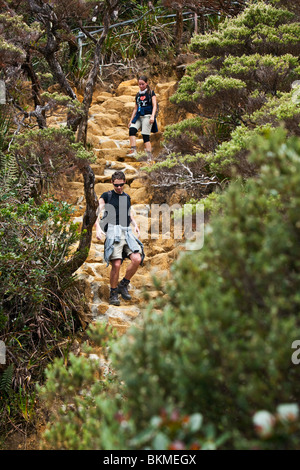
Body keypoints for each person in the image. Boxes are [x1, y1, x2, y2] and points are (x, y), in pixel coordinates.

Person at [95, 171, 144, 306]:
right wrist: (98, 228)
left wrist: (135, 225)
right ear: (112, 183)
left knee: (137, 259)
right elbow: (97, 212)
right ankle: (113, 293)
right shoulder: (107, 195)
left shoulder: (126, 197)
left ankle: (124, 284)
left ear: (124, 182)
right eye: (116, 185)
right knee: (116, 264)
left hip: (127, 231)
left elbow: (128, 213)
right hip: (112, 231)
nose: (119, 188)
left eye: (121, 185)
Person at [127, 75, 158, 161]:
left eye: (142, 84)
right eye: (139, 84)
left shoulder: (151, 93)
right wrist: (131, 121)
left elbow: (154, 105)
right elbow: (135, 108)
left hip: (147, 116)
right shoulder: (137, 95)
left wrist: (152, 116)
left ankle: (149, 156)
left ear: (146, 83)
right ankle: (133, 150)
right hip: (138, 116)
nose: (141, 86)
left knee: (145, 135)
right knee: (132, 130)